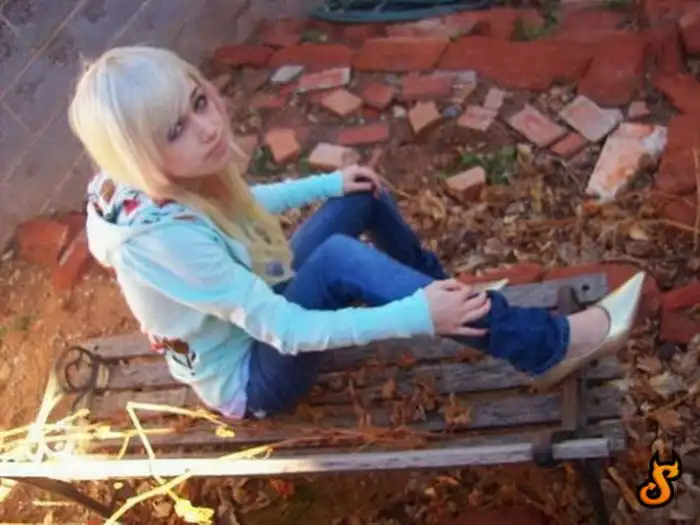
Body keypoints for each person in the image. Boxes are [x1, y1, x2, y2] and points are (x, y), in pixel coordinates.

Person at [68, 46, 645, 421]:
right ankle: (546, 347)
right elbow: (285, 329)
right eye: (176, 129)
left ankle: (452, 298)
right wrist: (414, 316)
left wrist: (326, 183)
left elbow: (232, 210)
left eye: (199, 102)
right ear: (139, 151)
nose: (208, 127)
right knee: (338, 260)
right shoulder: (158, 242)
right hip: (252, 377)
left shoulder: (143, 182)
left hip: (256, 309)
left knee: (360, 195)